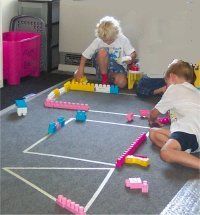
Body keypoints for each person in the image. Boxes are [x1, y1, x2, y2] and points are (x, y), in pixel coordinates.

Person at [149, 59, 200, 169]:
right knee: (153, 133)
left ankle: (180, 154)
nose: (167, 85)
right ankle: (183, 153)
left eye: (166, 82)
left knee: (165, 153)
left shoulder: (174, 88)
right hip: (194, 135)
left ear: (172, 77)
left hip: (188, 132)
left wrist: (152, 120)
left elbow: (154, 113)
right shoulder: (195, 91)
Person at [74, 16, 137, 88]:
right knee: (102, 51)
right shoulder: (98, 40)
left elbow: (133, 53)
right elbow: (85, 55)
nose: (107, 42)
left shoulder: (122, 39)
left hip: (118, 68)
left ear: (116, 34)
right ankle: (104, 79)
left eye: (110, 40)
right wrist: (81, 70)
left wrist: (130, 58)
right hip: (102, 68)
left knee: (122, 83)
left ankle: (110, 78)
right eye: (104, 40)